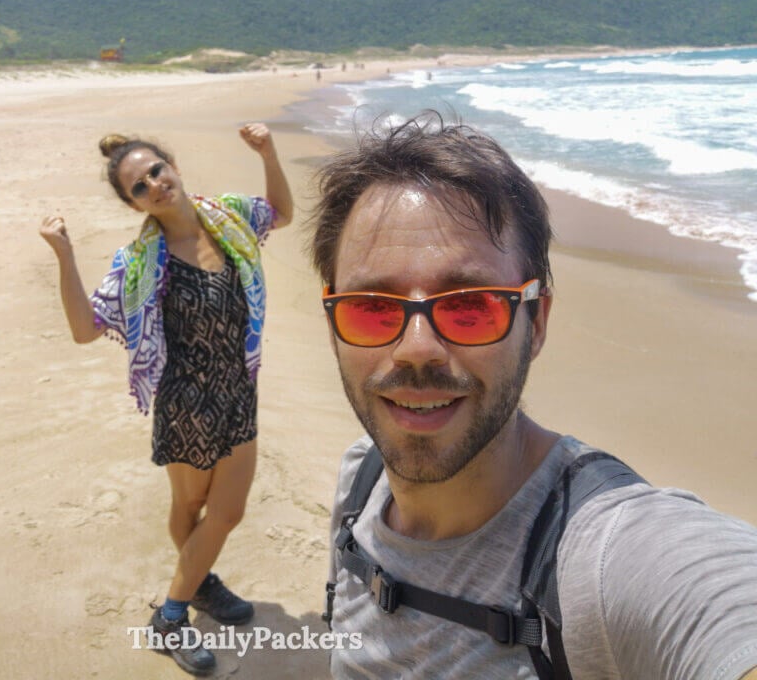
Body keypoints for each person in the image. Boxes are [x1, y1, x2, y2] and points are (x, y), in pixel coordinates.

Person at [308, 111, 757, 679]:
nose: (416, 349)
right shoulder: (361, 480)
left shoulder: (603, 557)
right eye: (372, 308)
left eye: (471, 306)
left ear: (536, 322)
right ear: (333, 326)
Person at [39, 123, 292, 676]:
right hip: (187, 406)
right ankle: (180, 607)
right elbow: (85, 329)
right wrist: (65, 255)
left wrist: (268, 152)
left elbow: (280, 212)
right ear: (134, 204)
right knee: (193, 509)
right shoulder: (139, 262)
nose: (153, 184)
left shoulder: (228, 218)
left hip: (239, 391)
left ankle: (186, 595)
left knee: (227, 512)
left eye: (156, 170)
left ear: (173, 166)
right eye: (139, 186)